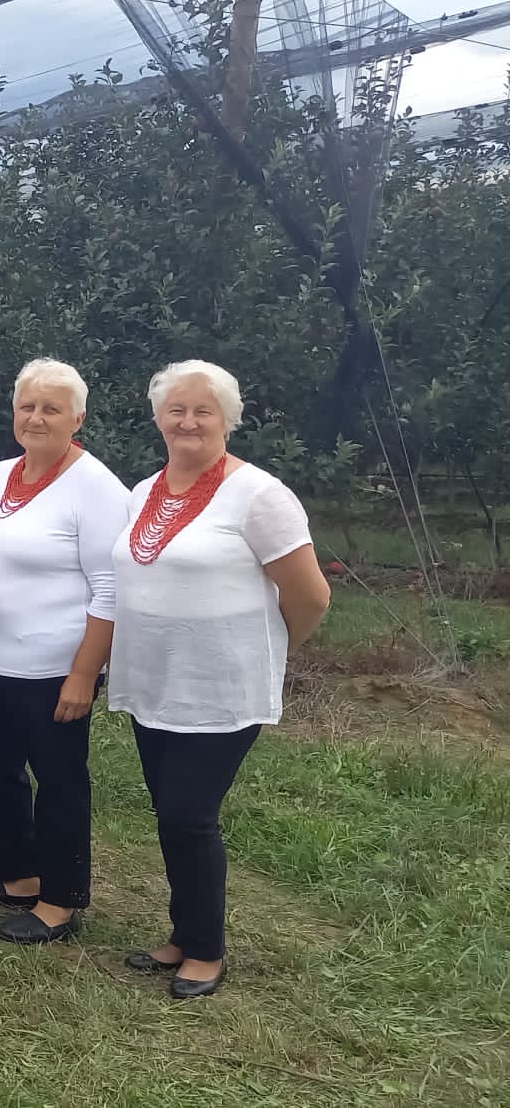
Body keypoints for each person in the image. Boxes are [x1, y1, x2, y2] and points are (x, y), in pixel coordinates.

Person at [110, 360, 330, 998]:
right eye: (176, 410)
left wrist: (267, 649)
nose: (188, 421)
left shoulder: (260, 496)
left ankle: (206, 951)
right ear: (159, 418)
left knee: (189, 814)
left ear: (228, 419)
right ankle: (184, 934)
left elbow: (311, 596)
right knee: (171, 814)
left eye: (202, 410)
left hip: (220, 689)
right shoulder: (145, 490)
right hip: (155, 683)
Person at [0, 359, 130, 944]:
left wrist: (84, 674)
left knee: (59, 781)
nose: (36, 418)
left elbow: (111, 588)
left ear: (77, 418)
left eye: (51, 409)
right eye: (26, 406)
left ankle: (60, 899)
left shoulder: (95, 487)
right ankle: (19, 877)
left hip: (54, 669)